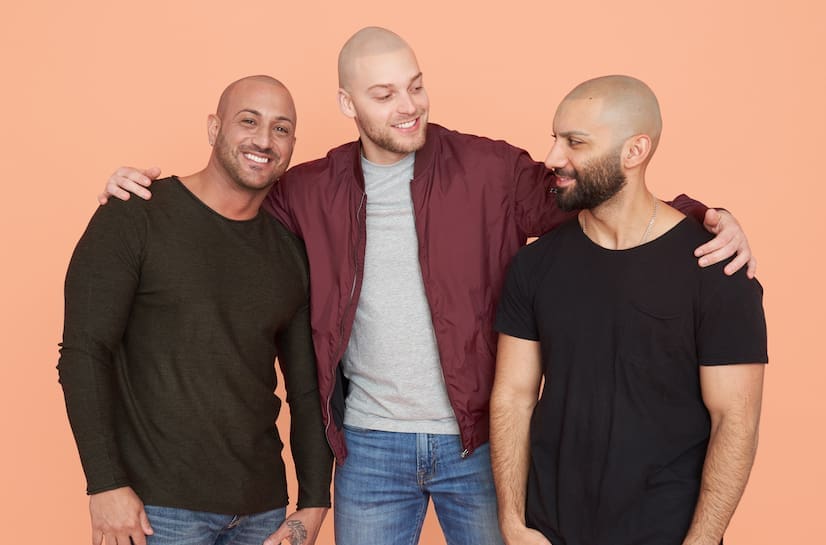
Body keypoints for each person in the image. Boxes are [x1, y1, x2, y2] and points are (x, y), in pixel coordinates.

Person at [98, 29, 756, 545]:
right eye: (384, 94)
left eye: (415, 86)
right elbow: (227, 210)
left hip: (479, 442)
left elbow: (595, 190)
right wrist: (148, 194)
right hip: (368, 448)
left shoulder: (491, 169)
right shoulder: (307, 190)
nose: (408, 106)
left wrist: (701, 215)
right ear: (348, 105)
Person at [490, 75, 767, 545]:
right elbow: (513, 397)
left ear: (635, 151)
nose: (552, 158)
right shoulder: (534, 265)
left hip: (667, 532)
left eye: (575, 142)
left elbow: (735, 422)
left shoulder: (716, 270)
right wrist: (513, 524)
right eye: (555, 138)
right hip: (550, 531)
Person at [58, 75, 332, 545]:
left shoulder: (289, 252)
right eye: (249, 121)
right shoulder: (135, 213)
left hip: (263, 513)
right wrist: (104, 484)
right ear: (214, 128)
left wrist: (313, 504)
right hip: (157, 511)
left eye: (281, 129)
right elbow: (84, 353)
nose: (264, 140)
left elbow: (306, 391)